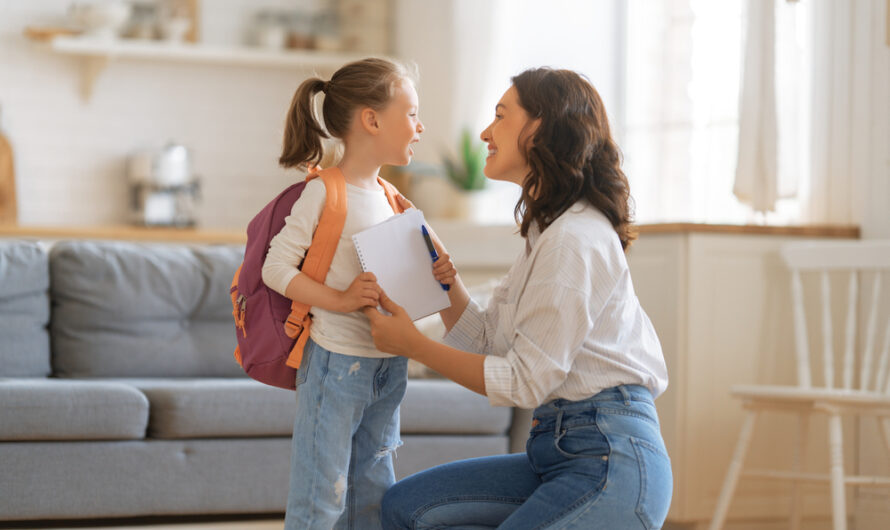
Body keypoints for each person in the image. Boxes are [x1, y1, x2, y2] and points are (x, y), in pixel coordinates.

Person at [364, 67, 673, 529]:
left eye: (501, 116)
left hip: (610, 457)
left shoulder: (574, 240)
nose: (487, 132)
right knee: (406, 507)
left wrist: (414, 345)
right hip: (556, 452)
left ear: (542, 128)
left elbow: (524, 382)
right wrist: (448, 287)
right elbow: (488, 340)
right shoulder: (545, 233)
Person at [262, 57, 430, 530]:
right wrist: (339, 299)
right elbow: (275, 266)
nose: (421, 125)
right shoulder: (324, 192)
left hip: (387, 366)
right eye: (412, 113)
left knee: (374, 494)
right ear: (372, 120)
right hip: (336, 364)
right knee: (321, 496)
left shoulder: (393, 198)